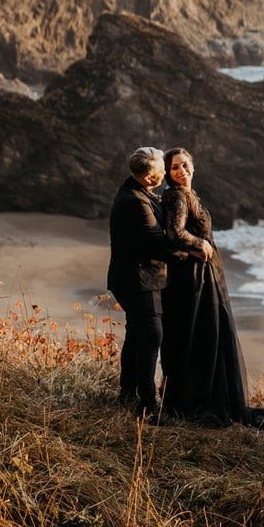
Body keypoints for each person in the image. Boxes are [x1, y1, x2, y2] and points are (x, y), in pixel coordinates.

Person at [157, 146, 257, 425]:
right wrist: (199, 243)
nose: (181, 171)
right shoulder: (176, 197)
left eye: (185, 165)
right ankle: (196, 399)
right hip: (193, 278)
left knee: (209, 333)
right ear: (167, 172)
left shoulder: (189, 195)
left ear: (193, 166)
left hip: (203, 273)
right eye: (175, 167)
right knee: (201, 334)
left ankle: (207, 395)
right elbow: (174, 232)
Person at [106, 146, 174, 418]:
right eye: (161, 171)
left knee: (136, 334)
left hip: (132, 277)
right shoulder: (135, 201)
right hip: (137, 280)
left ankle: (127, 392)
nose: (165, 174)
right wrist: (193, 249)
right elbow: (157, 243)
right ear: (149, 178)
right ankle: (147, 404)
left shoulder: (137, 191)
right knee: (151, 335)